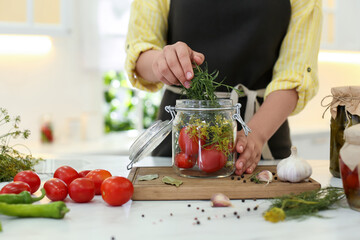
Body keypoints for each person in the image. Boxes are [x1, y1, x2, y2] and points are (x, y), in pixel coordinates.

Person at [125, 0, 322, 176]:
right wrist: (162, 62)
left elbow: (295, 76)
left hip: (263, 141)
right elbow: (140, 52)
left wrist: (256, 135)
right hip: (182, 143)